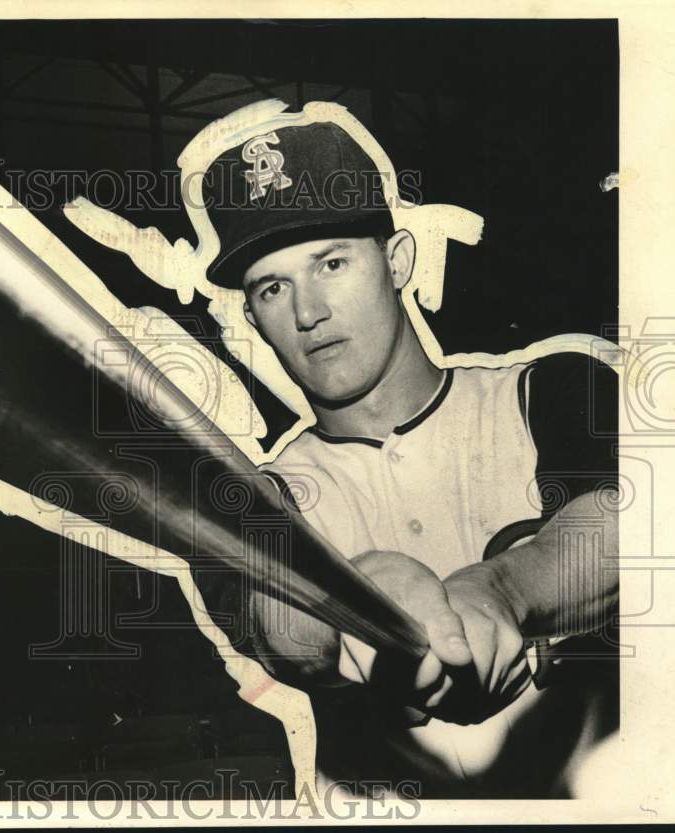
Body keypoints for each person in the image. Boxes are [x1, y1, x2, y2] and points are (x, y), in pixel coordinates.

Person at [197, 115, 620, 798]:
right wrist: (351, 597)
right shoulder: (251, 493)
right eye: (272, 287)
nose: (308, 312)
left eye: (331, 263)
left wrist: (506, 590)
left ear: (397, 260)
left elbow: (629, 523)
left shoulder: (552, 387)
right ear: (252, 317)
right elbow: (275, 625)